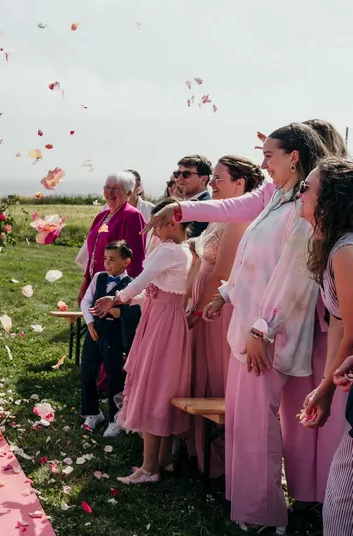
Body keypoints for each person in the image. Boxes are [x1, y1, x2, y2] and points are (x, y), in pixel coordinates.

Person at [149, 123, 327, 530]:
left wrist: (263, 329)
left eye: (269, 156)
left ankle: (266, 515)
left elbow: (292, 276)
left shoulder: (303, 207)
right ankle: (253, 507)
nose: (263, 164)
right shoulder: (275, 195)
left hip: (268, 334)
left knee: (258, 427)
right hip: (250, 327)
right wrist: (225, 294)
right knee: (247, 424)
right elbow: (249, 250)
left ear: (294, 157)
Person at [92, 199, 192, 484]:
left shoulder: (169, 250)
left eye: (156, 222)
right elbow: (152, 291)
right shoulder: (182, 251)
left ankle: (149, 468)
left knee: (153, 386)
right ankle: (161, 460)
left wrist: (117, 298)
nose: (152, 228)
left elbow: (139, 282)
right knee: (161, 385)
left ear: (172, 222)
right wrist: (129, 300)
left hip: (161, 323)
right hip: (166, 318)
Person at [185, 155, 264, 477]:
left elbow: (221, 271)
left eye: (219, 179)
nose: (212, 184)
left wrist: (200, 307)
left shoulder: (239, 219)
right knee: (200, 373)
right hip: (203, 299)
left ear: (240, 183)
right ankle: (198, 453)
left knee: (216, 377)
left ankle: (220, 463)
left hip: (220, 306)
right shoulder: (220, 217)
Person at [295, 157, 353, 536]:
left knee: (340, 503)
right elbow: (342, 325)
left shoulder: (345, 251)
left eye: (307, 188)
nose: (300, 192)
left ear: (329, 199)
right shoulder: (337, 247)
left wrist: (327, 386)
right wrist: (327, 388)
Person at [78, 240, 141, 438]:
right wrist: (89, 324)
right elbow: (86, 301)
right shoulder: (98, 277)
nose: (107, 264)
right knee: (87, 372)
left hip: (114, 337)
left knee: (114, 376)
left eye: (112, 260)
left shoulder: (131, 285)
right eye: (105, 259)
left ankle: (115, 418)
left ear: (126, 262)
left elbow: (137, 310)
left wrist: (120, 313)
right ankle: (93, 412)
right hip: (94, 333)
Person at [77, 172, 146, 306]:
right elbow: (92, 253)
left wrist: (125, 296)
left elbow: (135, 259)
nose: (110, 192)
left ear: (128, 193)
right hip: (97, 283)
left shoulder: (132, 216)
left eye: (116, 188)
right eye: (107, 188)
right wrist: (85, 282)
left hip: (115, 287)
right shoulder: (102, 216)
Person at [173, 155, 212, 237]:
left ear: (204, 179)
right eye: (177, 173)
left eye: (186, 174)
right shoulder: (185, 202)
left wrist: (176, 203)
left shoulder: (205, 206)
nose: (179, 178)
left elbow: (182, 239)